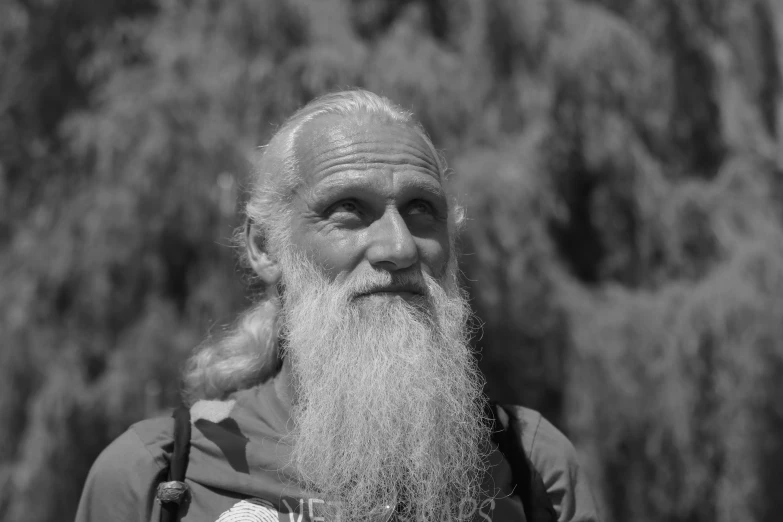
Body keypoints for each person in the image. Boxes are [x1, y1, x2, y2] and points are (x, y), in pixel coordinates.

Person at [75, 89, 600, 522]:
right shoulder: (156, 475)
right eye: (348, 210)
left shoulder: (532, 465)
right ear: (265, 248)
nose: (399, 247)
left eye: (422, 210)